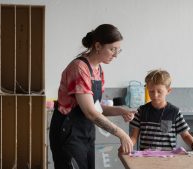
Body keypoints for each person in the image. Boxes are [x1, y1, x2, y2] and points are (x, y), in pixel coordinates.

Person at [49, 24, 135, 169]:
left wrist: (120, 111)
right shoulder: (79, 68)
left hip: (86, 132)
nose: (115, 55)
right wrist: (121, 133)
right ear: (98, 46)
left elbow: (96, 106)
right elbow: (90, 112)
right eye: (112, 49)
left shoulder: (98, 70)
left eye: (118, 50)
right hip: (69, 133)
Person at [128, 69, 193, 154]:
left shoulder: (174, 112)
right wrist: (127, 145)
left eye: (159, 91)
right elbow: (134, 137)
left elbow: (185, 135)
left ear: (168, 91)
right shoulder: (141, 110)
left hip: (168, 158)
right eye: (151, 91)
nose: (155, 95)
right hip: (147, 158)